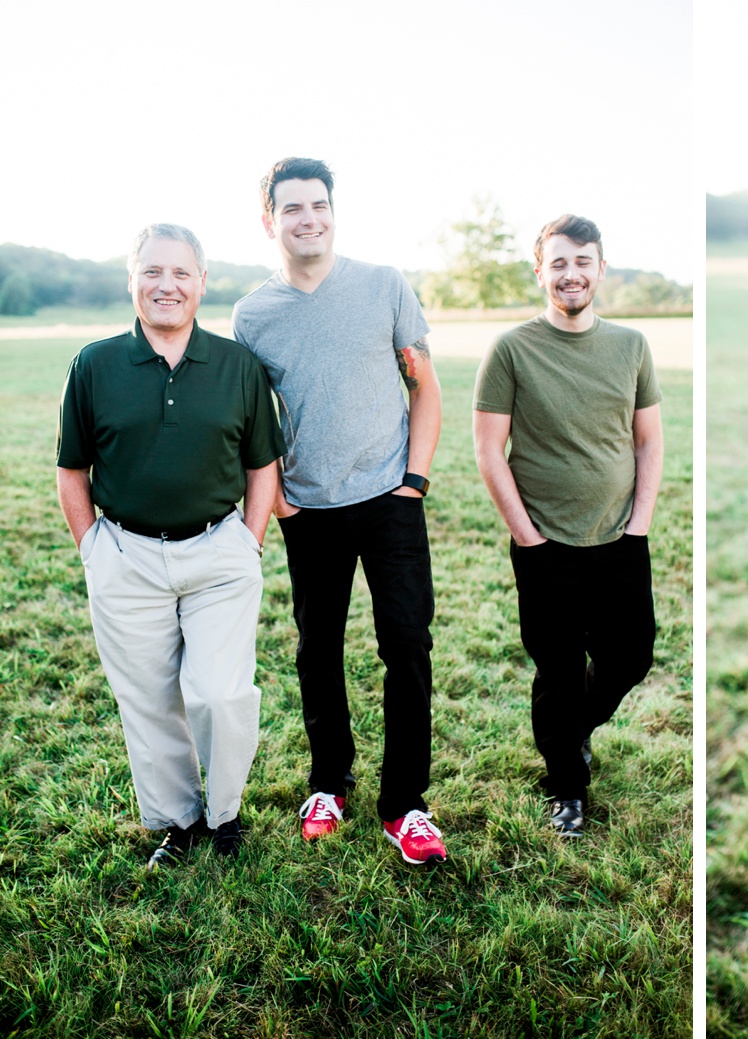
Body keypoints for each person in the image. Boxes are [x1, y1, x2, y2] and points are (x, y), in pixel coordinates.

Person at [231, 157, 447, 866]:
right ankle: (329, 781)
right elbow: (250, 416)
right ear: (270, 221)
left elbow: (425, 386)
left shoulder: (383, 285)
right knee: (316, 647)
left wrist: (412, 479)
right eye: (292, 208)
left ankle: (406, 804)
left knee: (408, 645)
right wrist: (281, 496)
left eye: (318, 204)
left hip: (390, 499)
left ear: (334, 210)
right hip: (311, 509)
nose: (308, 218)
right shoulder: (253, 315)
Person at [56, 223, 284, 867]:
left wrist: (250, 540)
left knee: (221, 693)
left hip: (218, 552)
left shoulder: (238, 365)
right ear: (132, 281)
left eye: (181, 273)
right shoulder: (95, 364)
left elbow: (262, 464)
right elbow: (72, 468)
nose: (167, 285)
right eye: (153, 272)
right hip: (124, 555)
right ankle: (179, 823)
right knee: (150, 701)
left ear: (202, 284)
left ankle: (226, 813)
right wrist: (92, 547)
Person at [473, 214, 662, 838]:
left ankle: (569, 735)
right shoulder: (512, 349)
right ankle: (567, 788)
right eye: (558, 262)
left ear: (601, 268)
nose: (571, 273)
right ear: (540, 271)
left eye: (583, 261)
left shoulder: (631, 345)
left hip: (620, 539)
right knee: (556, 670)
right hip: (545, 544)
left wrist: (638, 527)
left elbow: (649, 441)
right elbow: (488, 450)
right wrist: (529, 537)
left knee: (631, 657)